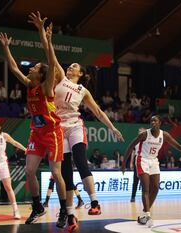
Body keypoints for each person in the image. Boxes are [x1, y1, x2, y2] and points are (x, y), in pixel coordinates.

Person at [28, 12, 123, 225]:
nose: (71, 66)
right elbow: (49, 55)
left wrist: (112, 127)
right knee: (66, 172)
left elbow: (98, 112)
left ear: (80, 73)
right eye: (70, 65)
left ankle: (95, 202)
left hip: (75, 126)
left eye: (75, 66)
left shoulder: (83, 90)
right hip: (58, 128)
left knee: (81, 162)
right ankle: (69, 214)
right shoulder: (60, 76)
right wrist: (45, 36)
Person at [0, 27, 69, 228]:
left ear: (42, 74)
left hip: (53, 133)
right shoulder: (30, 84)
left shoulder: (46, 88)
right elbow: (13, 68)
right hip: (37, 133)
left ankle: (64, 210)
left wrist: (43, 36)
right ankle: (38, 206)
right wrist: (6, 48)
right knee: (29, 171)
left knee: (56, 173)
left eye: (35, 67)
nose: (31, 68)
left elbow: (51, 62)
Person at [122, 115, 181, 227]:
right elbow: (131, 146)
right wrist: (123, 164)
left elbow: (178, 146)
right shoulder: (144, 134)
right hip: (142, 160)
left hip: (154, 161)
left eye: (155, 121)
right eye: (151, 121)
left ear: (160, 123)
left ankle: (143, 214)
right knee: (146, 188)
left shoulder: (164, 135)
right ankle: (148, 215)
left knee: (155, 188)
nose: (153, 122)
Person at [130, 128, 146, 202]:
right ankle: (133, 197)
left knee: (145, 181)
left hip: (145, 160)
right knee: (135, 180)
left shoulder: (147, 141)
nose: (140, 133)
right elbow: (133, 152)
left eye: (141, 132)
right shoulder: (136, 141)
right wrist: (131, 162)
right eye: (139, 132)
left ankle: (146, 197)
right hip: (137, 160)